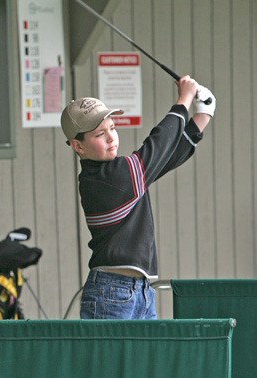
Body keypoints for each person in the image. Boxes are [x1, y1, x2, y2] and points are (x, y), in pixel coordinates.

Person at [60, 76, 215, 319]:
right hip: (110, 292)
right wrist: (183, 100)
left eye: (112, 128)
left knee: (146, 359)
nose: (111, 137)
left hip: (141, 291)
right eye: (100, 134)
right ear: (78, 147)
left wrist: (203, 115)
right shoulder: (106, 179)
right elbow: (158, 145)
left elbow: (167, 157)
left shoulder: (124, 174)